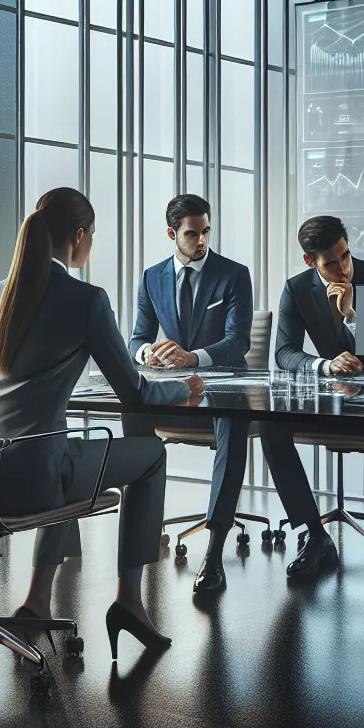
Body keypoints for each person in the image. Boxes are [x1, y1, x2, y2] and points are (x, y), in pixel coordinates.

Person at [0, 187, 200, 660]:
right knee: (150, 456)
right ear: (78, 237)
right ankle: (129, 602)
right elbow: (136, 393)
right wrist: (184, 389)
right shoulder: (86, 299)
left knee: (75, 452)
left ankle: (38, 600)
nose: (92, 244)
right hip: (35, 473)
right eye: (93, 236)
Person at [127, 194, 257, 595]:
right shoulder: (152, 277)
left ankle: (215, 549)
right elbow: (137, 338)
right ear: (172, 234)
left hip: (224, 383)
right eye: (191, 233)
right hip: (181, 391)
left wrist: (193, 358)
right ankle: (142, 533)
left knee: (232, 424)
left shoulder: (234, 275)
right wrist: (147, 352)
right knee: (134, 411)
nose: (201, 240)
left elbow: (238, 342)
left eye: (205, 232)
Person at [260, 215, 364, 581]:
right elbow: (284, 353)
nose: (343, 268)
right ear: (311, 262)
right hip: (330, 396)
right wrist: (324, 365)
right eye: (331, 263)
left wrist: (352, 316)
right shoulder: (296, 289)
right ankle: (316, 534)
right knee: (270, 426)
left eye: (346, 256)